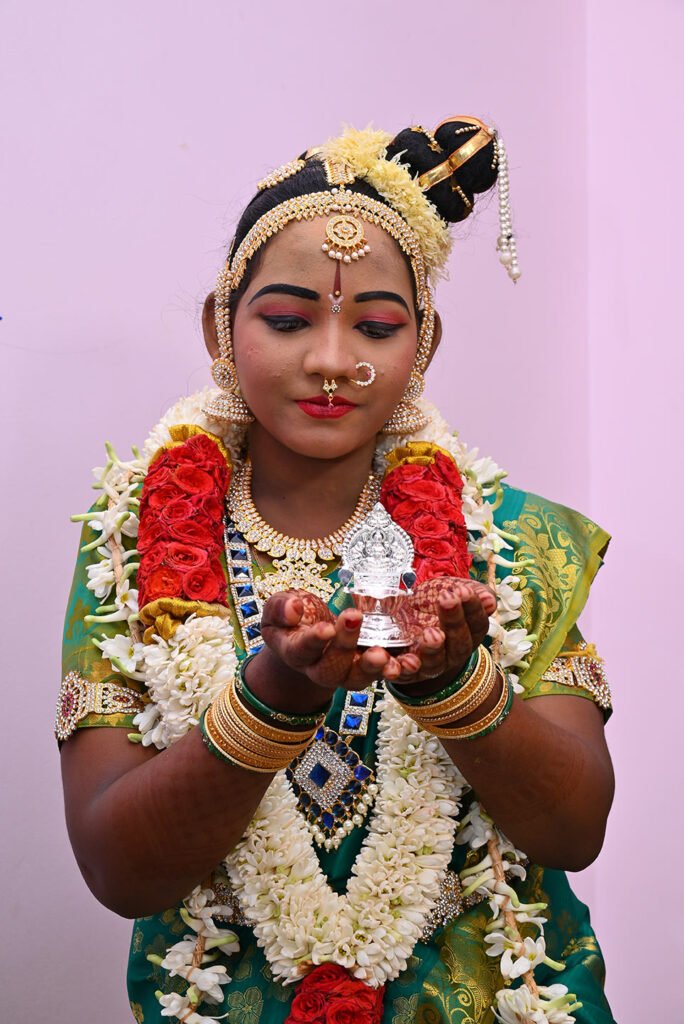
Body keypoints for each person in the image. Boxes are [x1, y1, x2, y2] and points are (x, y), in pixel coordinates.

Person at [58, 117, 616, 1024]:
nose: (330, 361)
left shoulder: (513, 543)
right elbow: (120, 869)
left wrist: (455, 683)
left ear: (423, 345)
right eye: (285, 319)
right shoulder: (134, 542)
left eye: (377, 325)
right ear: (220, 326)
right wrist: (273, 696)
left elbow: (574, 828)